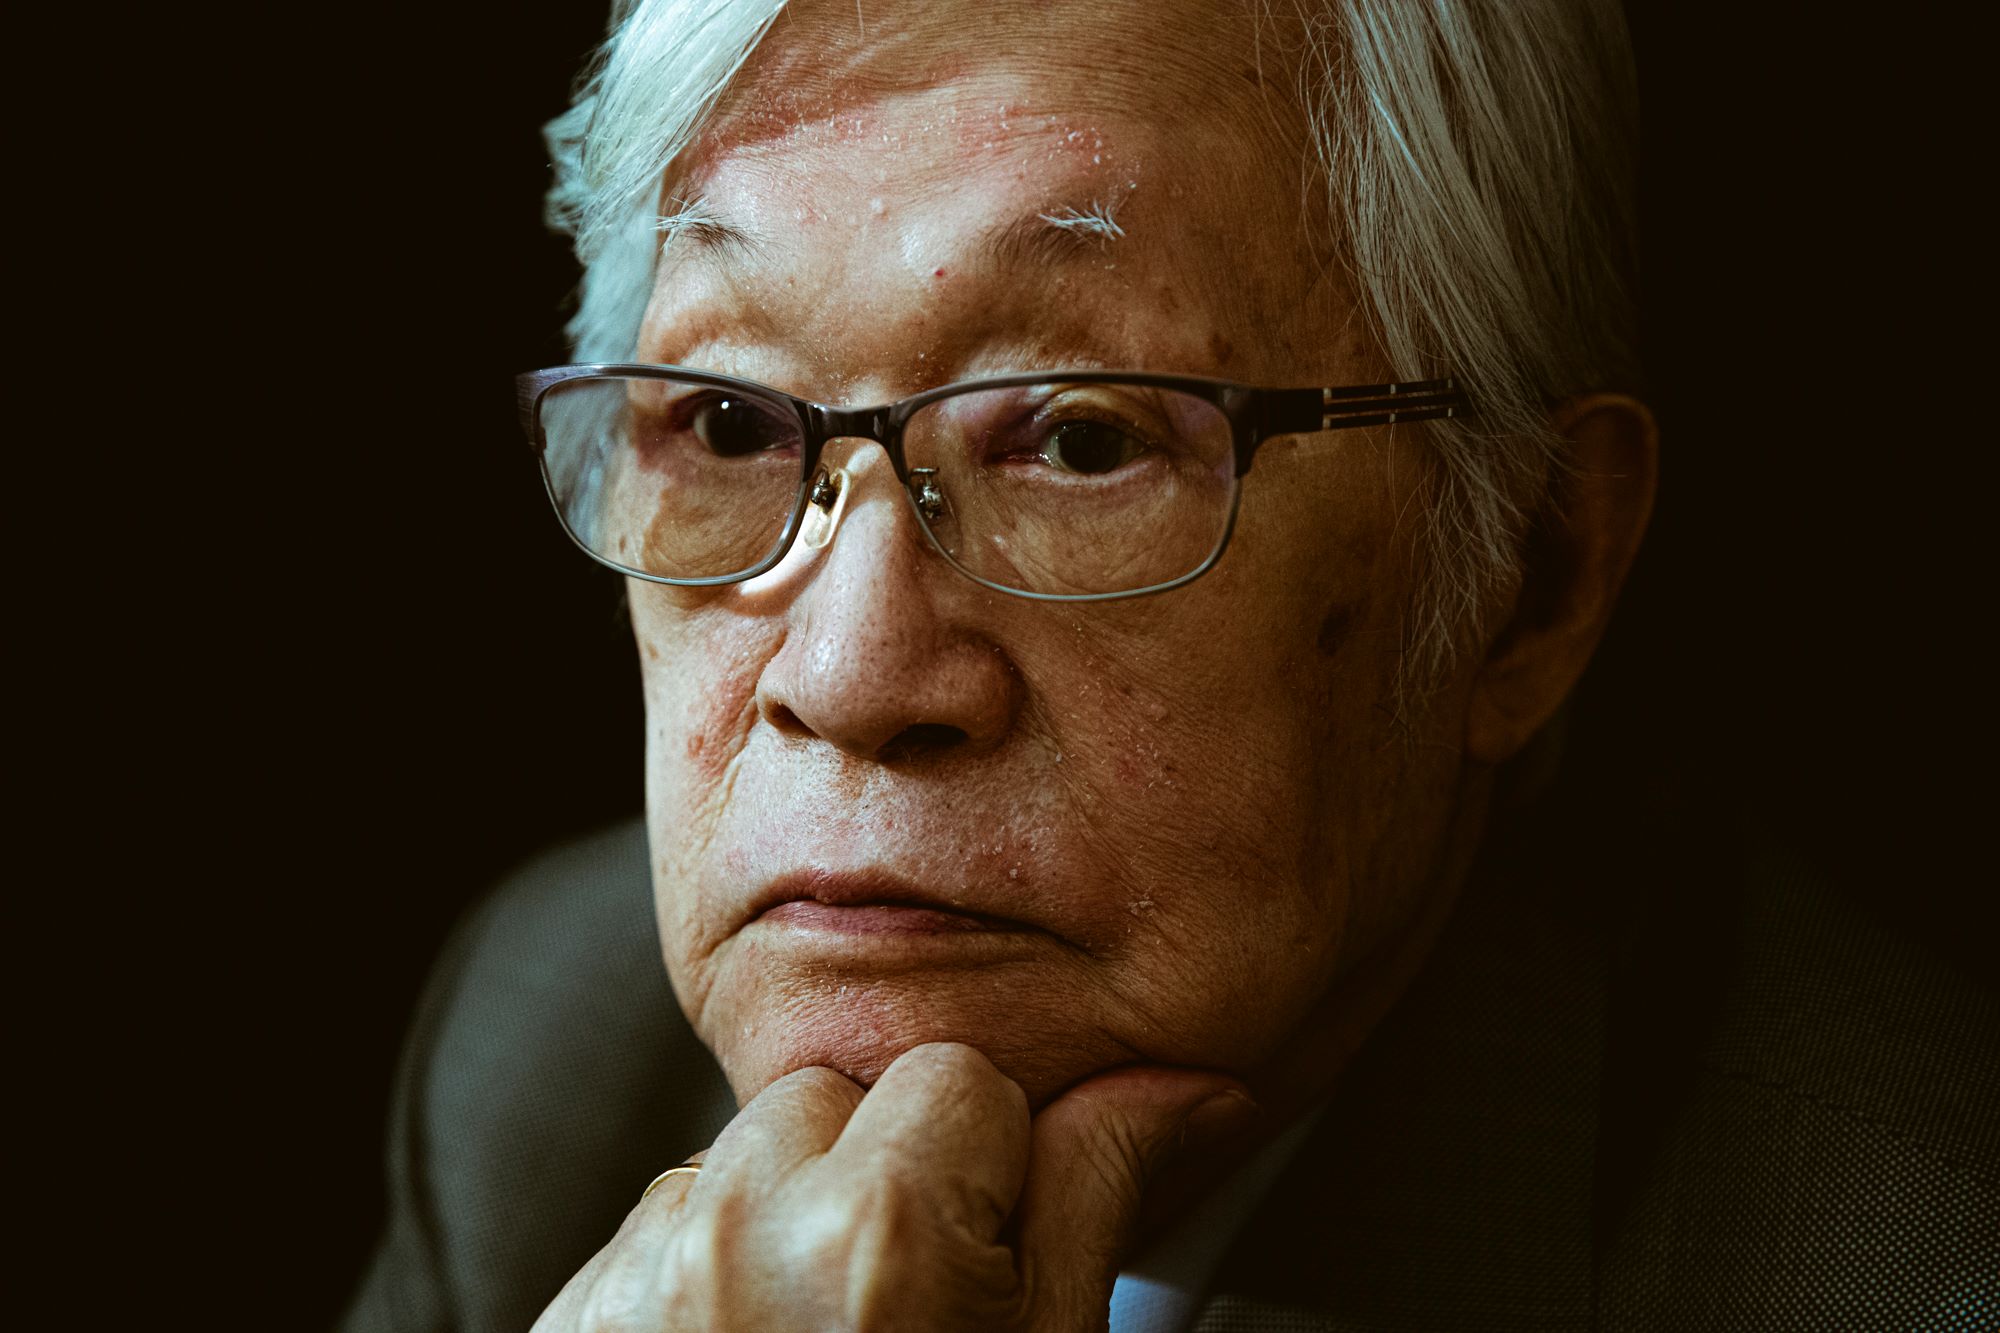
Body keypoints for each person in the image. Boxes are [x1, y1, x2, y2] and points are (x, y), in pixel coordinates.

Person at [344, 0, 1998, 1329]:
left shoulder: (1915, 1271)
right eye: (724, 421)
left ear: (1531, 574)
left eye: (1082, 437)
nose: (848, 675)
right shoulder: (545, 1050)